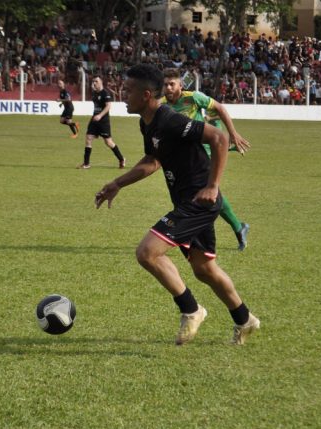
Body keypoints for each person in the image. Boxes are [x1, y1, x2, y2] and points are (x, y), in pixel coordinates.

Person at [94, 63, 260, 346]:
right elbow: (153, 161)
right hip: (187, 200)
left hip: (200, 201)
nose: (123, 94)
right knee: (204, 269)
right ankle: (245, 320)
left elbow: (218, 137)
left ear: (146, 95)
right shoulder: (147, 123)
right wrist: (118, 183)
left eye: (128, 90)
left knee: (147, 252)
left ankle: (191, 310)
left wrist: (212, 186)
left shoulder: (170, 119)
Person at [161, 68, 251, 251]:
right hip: (182, 156)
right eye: (165, 85)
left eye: (172, 84)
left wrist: (233, 133)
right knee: (200, 193)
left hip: (204, 152)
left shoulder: (193, 97)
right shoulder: (161, 106)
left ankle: (193, 234)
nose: (168, 88)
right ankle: (237, 227)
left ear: (180, 85)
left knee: (205, 190)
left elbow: (220, 108)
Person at [77, 75, 125, 169]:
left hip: (103, 121)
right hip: (94, 120)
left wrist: (100, 115)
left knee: (108, 142)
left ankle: (121, 159)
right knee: (88, 138)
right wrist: (96, 116)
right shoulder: (94, 93)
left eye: (96, 81)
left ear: (101, 82)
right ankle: (86, 163)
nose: (94, 83)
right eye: (93, 81)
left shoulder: (105, 93)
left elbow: (108, 106)